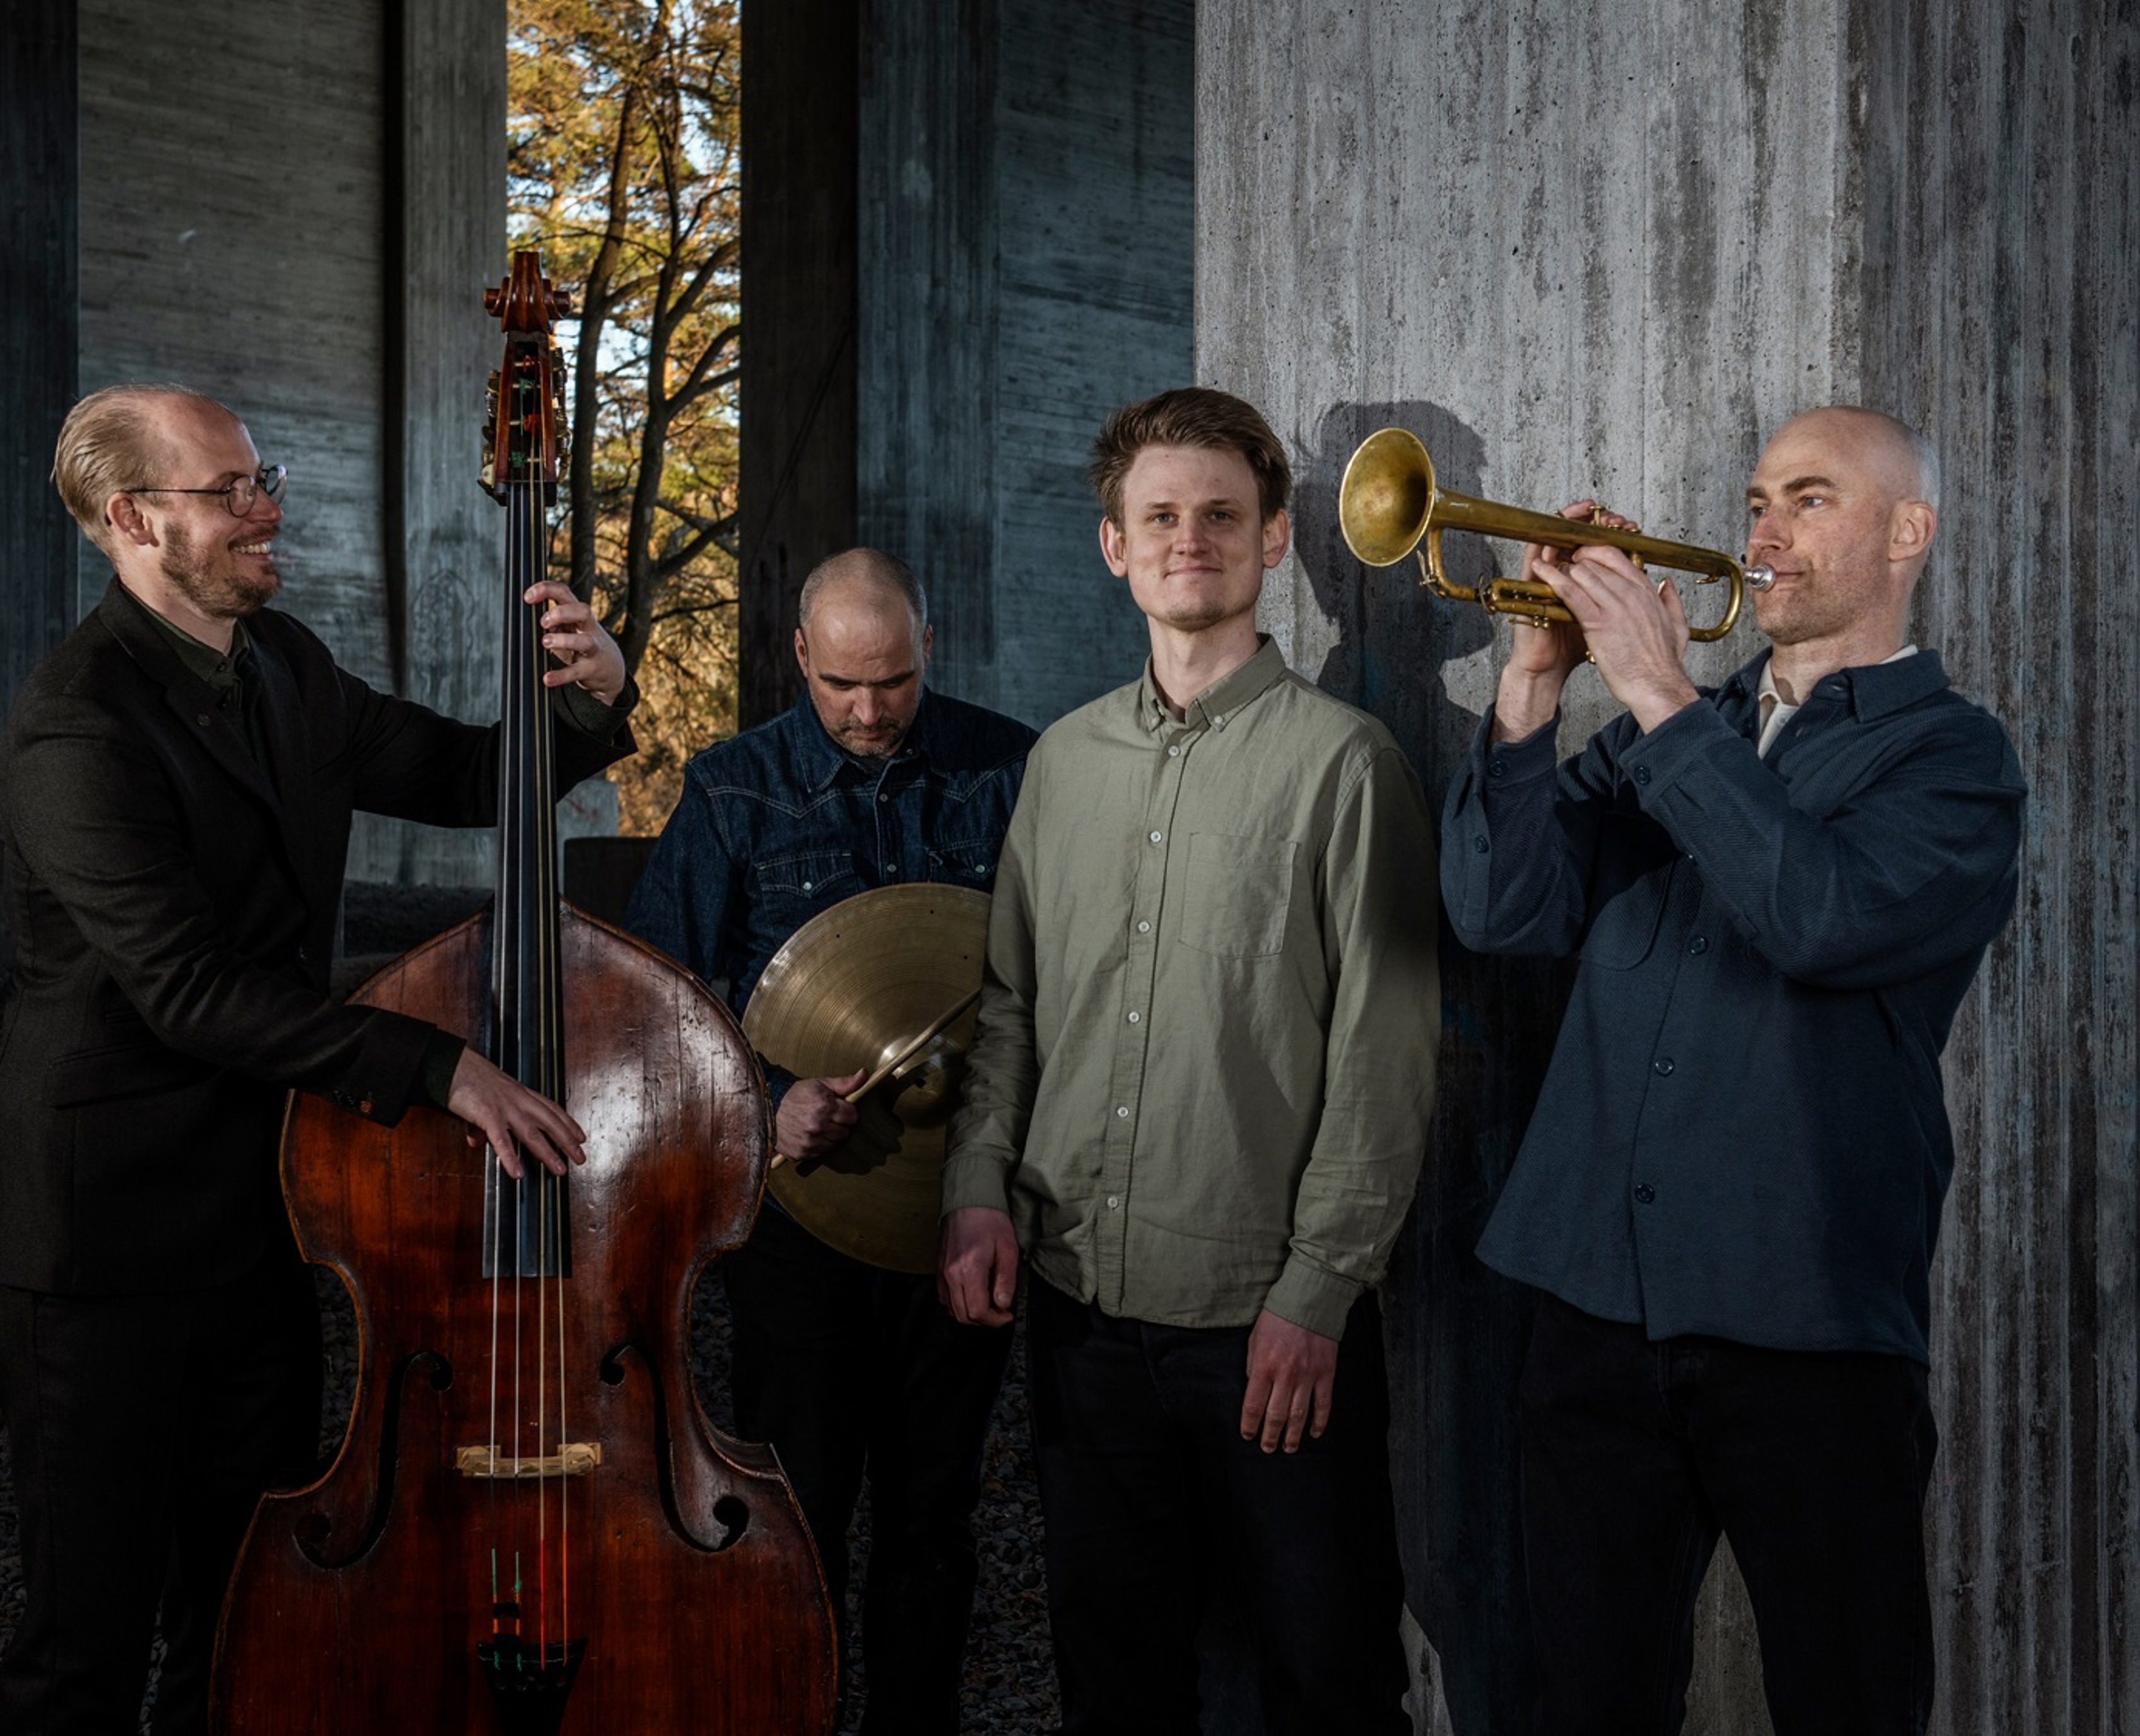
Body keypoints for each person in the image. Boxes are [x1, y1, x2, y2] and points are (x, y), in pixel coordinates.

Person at [0, 383, 637, 1735]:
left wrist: (598, 699)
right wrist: (441, 1068)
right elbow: (188, 989)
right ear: (130, 518)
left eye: (267, 478)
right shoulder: (73, 723)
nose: (269, 508)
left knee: (243, 1611)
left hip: (259, 1214)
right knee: (82, 1636)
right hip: (95, 1241)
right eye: (232, 490)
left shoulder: (288, 666)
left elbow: (471, 776)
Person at [1440, 406, 2026, 1732]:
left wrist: (1648, 688)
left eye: (1809, 499)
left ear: (1907, 534)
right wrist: (1535, 682)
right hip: (1590, 1300)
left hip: (1806, 1315)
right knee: (1580, 1702)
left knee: (1848, 1700)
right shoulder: (1677, 730)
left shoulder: (1955, 761)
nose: (1760, 533)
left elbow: (1817, 918)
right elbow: (1500, 909)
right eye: (1758, 500)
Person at [939, 387, 1440, 1735]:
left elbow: (1386, 1056)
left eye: (1222, 514)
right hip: (1079, 1313)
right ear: (1113, 546)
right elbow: (1012, 1006)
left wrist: (1320, 1291)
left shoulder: (1349, 767)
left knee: (1327, 1680)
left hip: (1264, 1327)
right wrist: (976, 1185)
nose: (1188, 538)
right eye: (1158, 516)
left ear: (1277, 538)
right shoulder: (1059, 766)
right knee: (1117, 1682)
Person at [621, 547, 1036, 1735]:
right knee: (795, 1500)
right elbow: (662, 1004)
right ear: (799, 655)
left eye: (894, 683)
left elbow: (1062, 977)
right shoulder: (732, 788)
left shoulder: (1010, 769)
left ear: (927, 650)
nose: (866, 711)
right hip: (795, 1228)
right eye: (842, 683)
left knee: (933, 1509)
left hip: (954, 1204)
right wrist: (763, 1096)